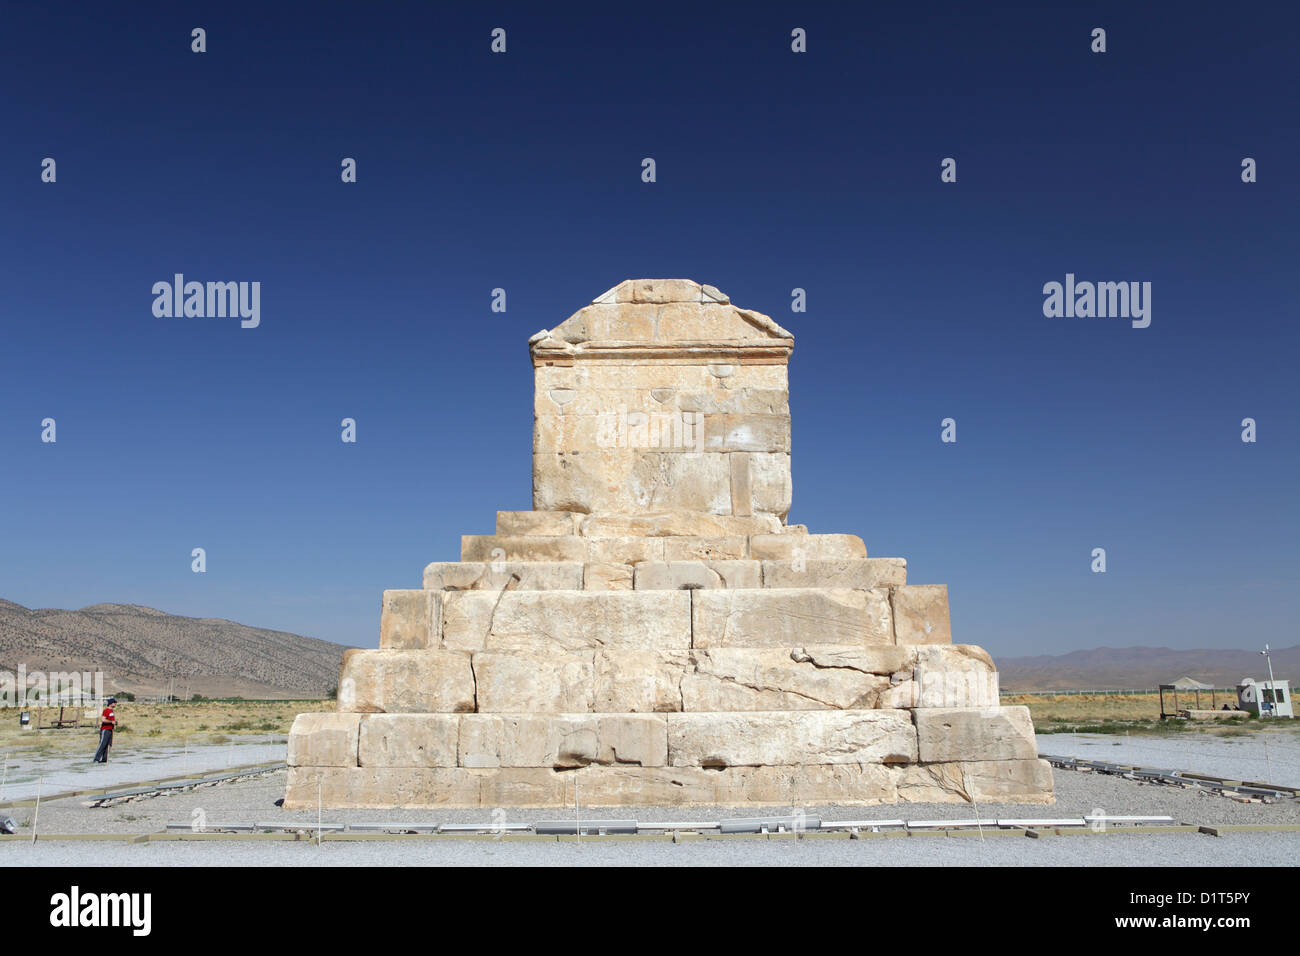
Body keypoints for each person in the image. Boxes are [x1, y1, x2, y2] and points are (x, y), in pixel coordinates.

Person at [92, 697, 117, 763]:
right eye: (114, 702)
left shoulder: (112, 711)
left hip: (110, 730)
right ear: (110, 703)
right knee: (103, 744)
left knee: (108, 745)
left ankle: (104, 759)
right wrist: (111, 722)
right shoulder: (106, 710)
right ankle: (96, 759)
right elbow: (103, 719)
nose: (115, 703)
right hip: (105, 730)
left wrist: (114, 723)